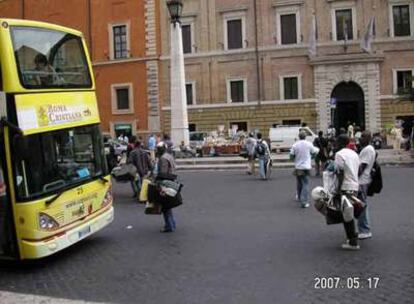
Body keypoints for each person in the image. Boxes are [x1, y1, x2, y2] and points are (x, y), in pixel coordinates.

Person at [335, 134, 361, 250]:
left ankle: (352, 241)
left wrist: (338, 189)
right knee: (349, 212)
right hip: (355, 186)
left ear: (340, 143)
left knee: (347, 214)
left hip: (345, 186)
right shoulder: (354, 153)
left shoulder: (339, 154)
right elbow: (359, 170)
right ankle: (352, 237)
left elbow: (340, 173)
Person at [290, 131, 319, 208]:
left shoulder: (295, 145)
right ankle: (304, 201)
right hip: (306, 166)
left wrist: (296, 159)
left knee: (299, 182)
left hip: (298, 166)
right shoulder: (309, 144)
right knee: (305, 183)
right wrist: (311, 157)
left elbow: (291, 156)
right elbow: (315, 152)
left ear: (299, 136)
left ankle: (299, 196)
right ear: (305, 136)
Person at [357, 131, 376, 240]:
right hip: (364, 180)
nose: (360, 138)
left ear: (368, 138)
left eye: (363, 137)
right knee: (362, 205)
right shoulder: (368, 149)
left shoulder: (367, 150)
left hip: (362, 181)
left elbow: (362, 166)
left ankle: (365, 230)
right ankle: (364, 228)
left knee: (361, 206)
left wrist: (354, 176)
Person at [156, 142, 177, 233]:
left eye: (158, 149)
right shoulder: (169, 156)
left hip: (165, 183)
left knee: (165, 206)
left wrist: (157, 182)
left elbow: (163, 173)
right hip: (172, 181)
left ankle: (169, 226)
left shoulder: (163, 158)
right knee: (169, 205)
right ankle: (172, 224)